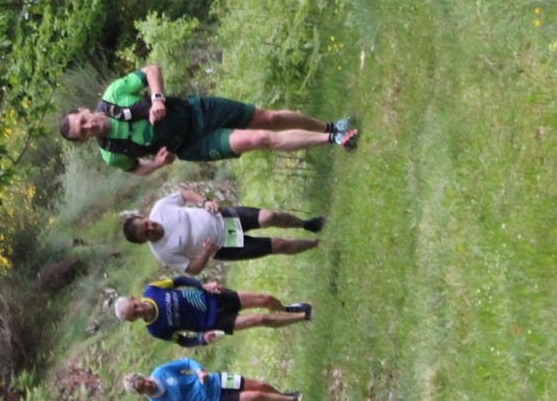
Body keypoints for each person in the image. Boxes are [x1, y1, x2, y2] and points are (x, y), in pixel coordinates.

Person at [59, 62, 356, 175]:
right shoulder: (112, 153)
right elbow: (137, 169)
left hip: (198, 110)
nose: (88, 127)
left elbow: (151, 70)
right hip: (192, 145)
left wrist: (158, 97)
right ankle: (334, 138)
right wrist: (158, 164)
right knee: (258, 139)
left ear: (84, 111)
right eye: (82, 133)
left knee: (268, 118)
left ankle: (330, 126)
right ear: (85, 141)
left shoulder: (114, 94)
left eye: (83, 121)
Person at [124, 189, 323, 273]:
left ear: (145, 217)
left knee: (270, 216)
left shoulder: (160, 208)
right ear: (144, 241)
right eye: (146, 233)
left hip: (222, 217)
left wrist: (204, 201)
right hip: (225, 246)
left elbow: (184, 194)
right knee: (278, 245)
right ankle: (317, 244)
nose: (151, 228)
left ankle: (307, 224)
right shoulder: (163, 252)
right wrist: (206, 253)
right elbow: (192, 269)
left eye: (147, 223)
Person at [110, 274, 311, 348]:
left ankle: (288, 309)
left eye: (134, 306)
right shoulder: (155, 330)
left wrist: (202, 285)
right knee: (260, 319)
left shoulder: (152, 289)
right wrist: (201, 340)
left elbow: (179, 280)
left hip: (214, 298)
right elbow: (182, 341)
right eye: (134, 314)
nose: (139, 310)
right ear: (133, 320)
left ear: (134, 298)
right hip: (213, 323)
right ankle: (303, 316)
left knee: (265, 299)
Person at [123, 359, 300, 401]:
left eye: (145, 380)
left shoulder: (161, 371)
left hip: (217, 380)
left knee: (259, 385)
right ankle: (294, 400)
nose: (149, 384)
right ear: (141, 393)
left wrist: (199, 371)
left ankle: (284, 397)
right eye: (144, 387)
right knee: (256, 396)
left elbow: (186, 363)